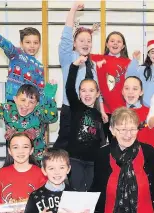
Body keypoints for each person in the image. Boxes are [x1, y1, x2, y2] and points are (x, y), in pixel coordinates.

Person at [0, 76, 58, 162]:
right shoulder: (7, 109)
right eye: (23, 100)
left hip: (36, 158)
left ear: (37, 104)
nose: (26, 105)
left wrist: (49, 98)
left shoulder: (39, 112)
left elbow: (52, 118)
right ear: (15, 99)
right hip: (14, 157)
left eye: (31, 102)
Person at [55, 1, 101, 149]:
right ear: (74, 43)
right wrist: (73, 9)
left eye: (89, 41)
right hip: (71, 109)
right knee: (65, 146)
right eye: (81, 40)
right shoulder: (68, 57)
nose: (86, 43)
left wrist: (102, 111)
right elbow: (67, 35)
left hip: (89, 111)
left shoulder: (92, 64)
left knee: (85, 147)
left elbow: (97, 90)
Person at [65, 56, 106, 191]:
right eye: (83, 90)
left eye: (91, 90)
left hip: (92, 162)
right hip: (75, 159)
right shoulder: (77, 107)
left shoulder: (99, 116)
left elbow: (101, 140)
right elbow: (70, 87)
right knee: (76, 191)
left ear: (97, 93)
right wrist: (74, 65)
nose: (87, 94)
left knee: (91, 192)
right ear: (79, 94)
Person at [0, 26, 45, 102]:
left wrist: (42, 106)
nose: (32, 45)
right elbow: (8, 47)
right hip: (12, 100)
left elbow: (41, 89)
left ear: (39, 44)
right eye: (28, 42)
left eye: (35, 43)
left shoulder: (40, 66)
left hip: (29, 104)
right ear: (21, 44)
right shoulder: (17, 54)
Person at [127, 40, 154, 107]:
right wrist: (135, 60)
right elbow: (130, 77)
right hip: (142, 107)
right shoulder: (141, 69)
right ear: (148, 54)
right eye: (152, 52)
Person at [122, 76, 154, 148]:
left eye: (135, 89)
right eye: (127, 88)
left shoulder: (151, 112)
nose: (130, 92)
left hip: (146, 156)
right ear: (122, 91)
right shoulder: (118, 114)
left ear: (141, 92)